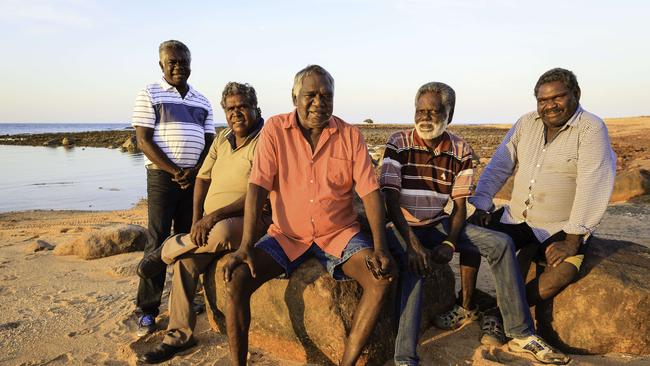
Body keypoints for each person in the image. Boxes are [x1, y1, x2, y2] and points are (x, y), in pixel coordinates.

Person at [381, 82, 569, 365]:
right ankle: (405, 358)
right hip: (401, 227)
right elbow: (390, 200)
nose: (425, 117)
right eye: (420, 110)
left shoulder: (460, 148)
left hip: (437, 224)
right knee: (414, 268)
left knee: (500, 243)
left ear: (449, 113)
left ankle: (519, 332)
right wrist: (412, 243)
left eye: (434, 111)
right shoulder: (398, 142)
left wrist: (449, 241)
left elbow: (459, 207)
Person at [222, 65, 396, 366]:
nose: (319, 102)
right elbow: (258, 188)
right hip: (287, 236)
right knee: (237, 278)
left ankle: (347, 362)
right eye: (310, 95)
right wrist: (246, 245)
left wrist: (380, 247)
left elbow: (370, 193)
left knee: (381, 278)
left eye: (327, 95)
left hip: (339, 234)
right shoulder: (275, 130)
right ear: (294, 97)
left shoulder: (350, 135)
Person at [468, 68, 616, 333]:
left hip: (560, 225)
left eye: (557, 98)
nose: (549, 106)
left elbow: (593, 182)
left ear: (576, 94)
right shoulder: (526, 123)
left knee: (564, 272)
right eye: (542, 100)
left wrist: (573, 239)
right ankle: (465, 305)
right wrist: (480, 202)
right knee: (468, 233)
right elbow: (500, 164)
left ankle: (500, 312)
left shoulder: (591, 128)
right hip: (517, 217)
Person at [137, 82, 268, 363]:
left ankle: (163, 252)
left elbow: (258, 192)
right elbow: (202, 178)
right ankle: (179, 336)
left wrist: (212, 217)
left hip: (251, 219)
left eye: (242, 106)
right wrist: (197, 219)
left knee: (219, 232)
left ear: (256, 109)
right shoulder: (222, 138)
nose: (236, 113)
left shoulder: (267, 140)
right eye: (230, 108)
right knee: (185, 264)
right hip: (209, 224)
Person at [131, 40, 215, 337]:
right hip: (162, 179)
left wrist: (194, 172)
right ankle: (147, 310)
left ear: (191, 64)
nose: (179, 66)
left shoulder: (203, 100)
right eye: (173, 62)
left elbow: (209, 144)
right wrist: (174, 170)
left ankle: (184, 302)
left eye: (184, 61)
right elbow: (143, 140)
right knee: (157, 241)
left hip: (193, 180)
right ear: (161, 65)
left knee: (187, 239)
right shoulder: (149, 93)